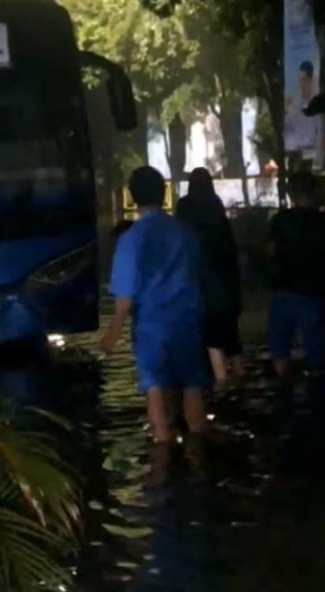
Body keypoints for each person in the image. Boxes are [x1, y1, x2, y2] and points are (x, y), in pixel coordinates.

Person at [100, 166, 208, 444]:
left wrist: (111, 337)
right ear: (163, 193)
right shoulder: (185, 233)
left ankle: (163, 453)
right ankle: (199, 452)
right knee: (192, 387)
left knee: (155, 390)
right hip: (187, 321)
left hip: (151, 327)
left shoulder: (131, 239)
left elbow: (125, 298)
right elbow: (199, 277)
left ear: (133, 196)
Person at [267, 171, 325, 382]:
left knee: (280, 355)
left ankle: (284, 393)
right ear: (315, 192)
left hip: (283, 292)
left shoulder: (279, 220)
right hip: (314, 294)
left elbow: (270, 252)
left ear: (291, 193)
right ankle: (316, 394)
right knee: (317, 359)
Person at [175, 167, 243, 388]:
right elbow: (232, 253)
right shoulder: (217, 210)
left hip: (201, 288)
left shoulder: (185, 209)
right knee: (231, 339)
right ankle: (238, 381)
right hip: (227, 287)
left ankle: (221, 384)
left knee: (210, 340)